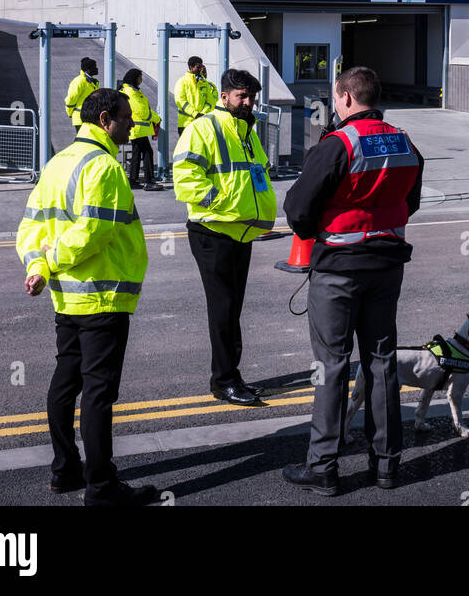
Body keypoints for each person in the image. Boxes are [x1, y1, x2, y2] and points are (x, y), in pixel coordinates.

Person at [282, 65, 424, 495]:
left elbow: (298, 209)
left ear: (345, 97)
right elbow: (410, 201)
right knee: (382, 362)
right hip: (386, 265)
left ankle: (323, 467)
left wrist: (321, 234)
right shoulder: (404, 141)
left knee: (332, 366)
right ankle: (386, 464)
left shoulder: (338, 143)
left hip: (339, 269)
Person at [15, 87, 156, 507]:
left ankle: (64, 470)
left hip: (67, 300)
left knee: (65, 383)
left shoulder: (57, 164)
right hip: (103, 297)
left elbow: (30, 230)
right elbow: (94, 231)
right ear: (104, 119)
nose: (133, 122)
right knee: (98, 394)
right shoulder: (105, 167)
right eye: (126, 116)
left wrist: (39, 268)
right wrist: (53, 261)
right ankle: (101, 487)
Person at [171, 68, 277, 407]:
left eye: (251, 98)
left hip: (240, 232)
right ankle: (224, 381)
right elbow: (185, 176)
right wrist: (220, 203)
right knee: (223, 307)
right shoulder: (204, 127)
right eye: (241, 96)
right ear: (224, 96)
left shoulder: (246, 130)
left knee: (233, 308)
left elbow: (256, 174)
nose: (247, 103)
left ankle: (231, 375)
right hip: (213, 231)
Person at [121, 68, 161, 191]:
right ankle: (149, 181)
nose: (141, 79)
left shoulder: (133, 91)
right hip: (138, 129)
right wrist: (156, 118)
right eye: (140, 77)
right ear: (134, 78)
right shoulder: (131, 93)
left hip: (138, 129)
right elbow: (142, 111)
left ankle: (133, 180)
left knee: (137, 154)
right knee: (148, 153)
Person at [174, 55, 218, 132]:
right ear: (191, 67)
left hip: (202, 123)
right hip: (186, 124)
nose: (200, 69)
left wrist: (202, 113)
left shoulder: (204, 83)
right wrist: (196, 114)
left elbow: (211, 100)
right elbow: (180, 101)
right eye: (198, 67)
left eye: (201, 67)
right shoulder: (182, 82)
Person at [64, 57, 99, 128]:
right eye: (94, 67)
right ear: (88, 70)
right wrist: (69, 112)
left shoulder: (92, 82)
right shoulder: (79, 81)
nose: (97, 68)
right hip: (81, 119)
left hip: (90, 118)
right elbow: (71, 99)